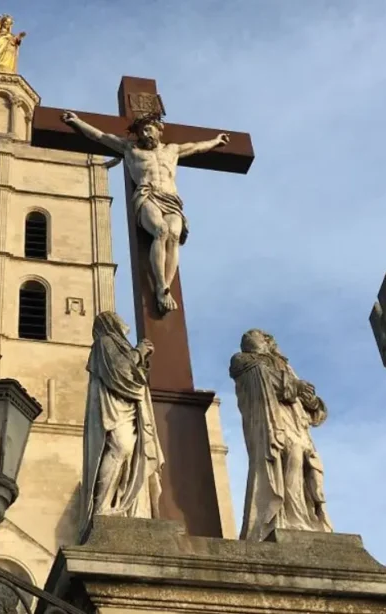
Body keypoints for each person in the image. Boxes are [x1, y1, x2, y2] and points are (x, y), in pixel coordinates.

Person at [61, 110, 229, 313]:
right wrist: (77, 122)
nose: (146, 133)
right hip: (147, 195)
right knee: (161, 230)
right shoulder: (130, 149)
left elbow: (196, 148)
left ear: (159, 131)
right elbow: (100, 136)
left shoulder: (172, 150)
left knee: (174, 235)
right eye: (142, 131)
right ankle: (160, 285)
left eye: (149, 129)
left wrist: (216, 141)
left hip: (171, 199)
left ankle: (167, 285)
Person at [229, 329, 333, 542]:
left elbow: (304, 398)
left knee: (307, 465)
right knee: (287, 456)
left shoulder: (283, 364)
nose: (252, 339)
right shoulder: (244, 361)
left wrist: (310, 399)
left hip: (294, 419)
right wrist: (295, 385)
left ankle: (304, 516)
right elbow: (265, 378)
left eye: (258, 336)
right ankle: (288, 516)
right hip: (271, 420)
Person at [80, 311, 164, 539]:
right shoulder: (104, 343)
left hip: (128, 408)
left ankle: (122, 504)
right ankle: (101, 507)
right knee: (121, 448)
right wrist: (138, 352)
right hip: (114, 408)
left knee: (129, 454)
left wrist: (141, 359)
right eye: (117, 319)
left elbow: (135, 376)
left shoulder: (116, 345)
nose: (122, 322)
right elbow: (120, 372)